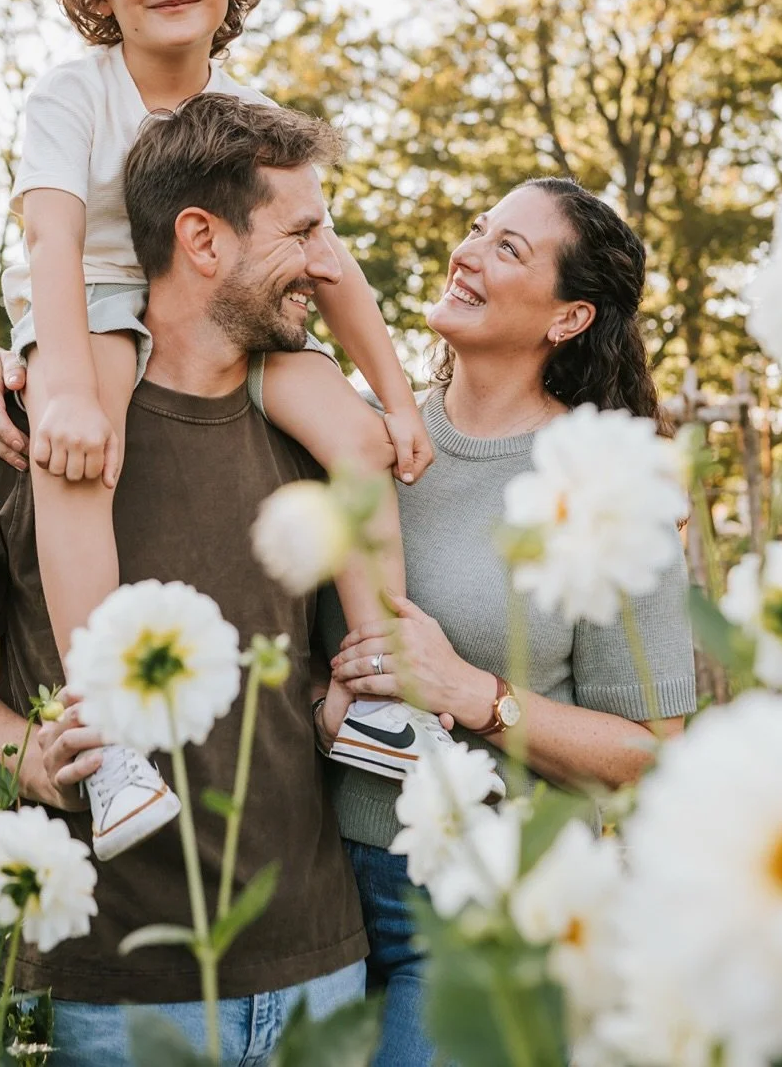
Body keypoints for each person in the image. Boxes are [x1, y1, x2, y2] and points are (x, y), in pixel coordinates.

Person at [0, 96, 373, 1067]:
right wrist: (23, 751)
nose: (327, 263)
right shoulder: (16, 431)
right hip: (117, 996)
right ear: (201, 238)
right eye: (304, 231)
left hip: (324, 968)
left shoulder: (318, 434)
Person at [0, 0, 438, 857]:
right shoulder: (74, 95)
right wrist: (61, 387)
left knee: (354, 437)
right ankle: (105, 739)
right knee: (82, 452)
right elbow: (52, 239)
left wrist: (396, 395)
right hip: (97, 297)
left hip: (223, 303)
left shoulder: (246, 115)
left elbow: (323, 257)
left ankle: (379, 691)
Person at [310, 178, 698, 1067]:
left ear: (568, 318)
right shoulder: (357, 435)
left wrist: (475, 695)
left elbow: (650, 752)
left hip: (477, 913)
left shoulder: (607, 487)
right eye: (477, 230)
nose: (469, 252)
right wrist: (3, 367)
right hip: (311, 891)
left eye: (509, 248)